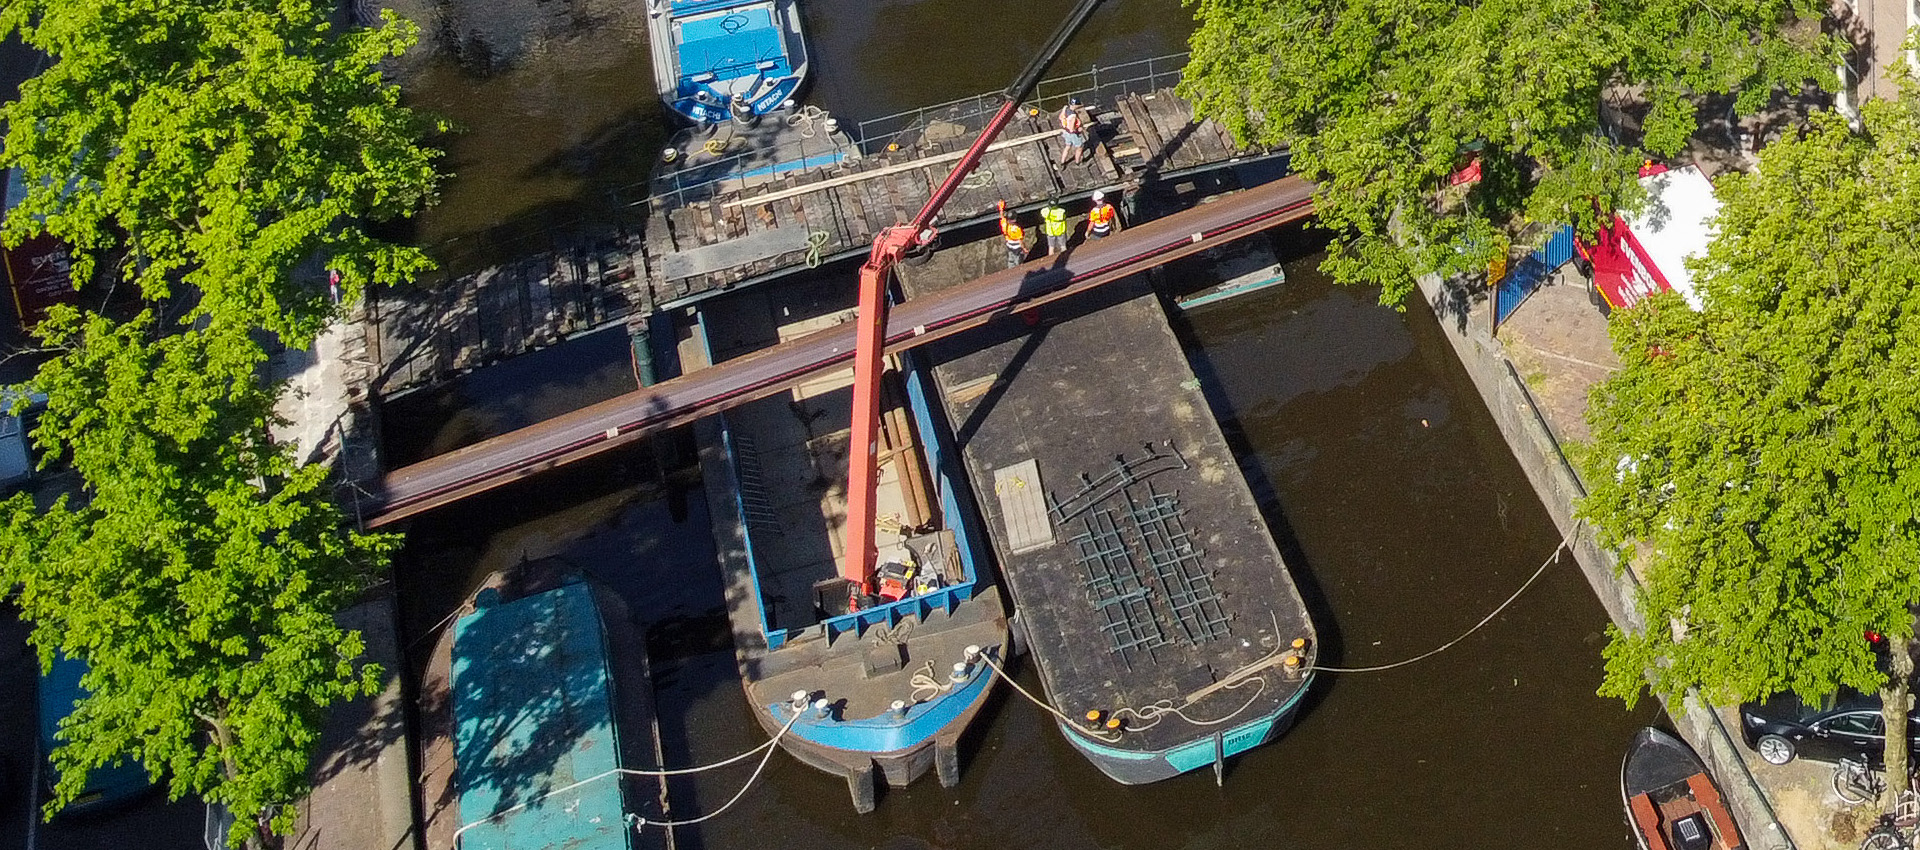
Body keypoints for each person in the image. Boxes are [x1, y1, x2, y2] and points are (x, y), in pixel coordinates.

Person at [1057, 97, 1087, 166]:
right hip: (1073, 134)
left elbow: (1061, 117)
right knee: (1079, 147)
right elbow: (1071, 128)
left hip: (1065, 132)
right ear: (1076, 105)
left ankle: (1062, 162)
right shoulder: (1073, 116)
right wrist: (1079, 129)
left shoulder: (1065, 108)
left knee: (1067, 146)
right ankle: (1077, 162)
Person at [997, 201, 1026, 268]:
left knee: (1011, 258)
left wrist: (1001, 209)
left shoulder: (1004, 224)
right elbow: (1020, 241)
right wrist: (1024, 248)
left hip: (1009, 244)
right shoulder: (1017, 228)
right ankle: (1018, 268)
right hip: (1017, 246)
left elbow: (1001, 217)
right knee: (1017, 258)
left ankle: (1010, 268)